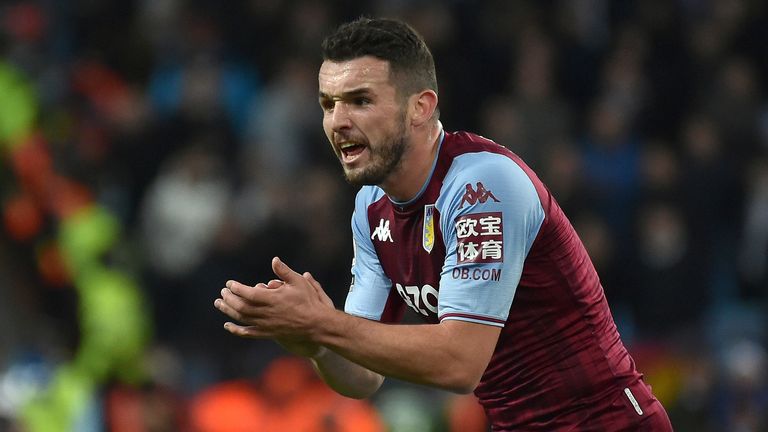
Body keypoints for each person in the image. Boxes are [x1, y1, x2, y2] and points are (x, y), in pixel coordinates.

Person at [214, 17, 673, 431]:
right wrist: (313, 341)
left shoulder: (481, 187)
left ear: (420, 107)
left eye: (360, 101)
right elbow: (363, 375)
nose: (338, 121)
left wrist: (323, 324)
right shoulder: (371, 207)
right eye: (328, 103)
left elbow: (459, 363)